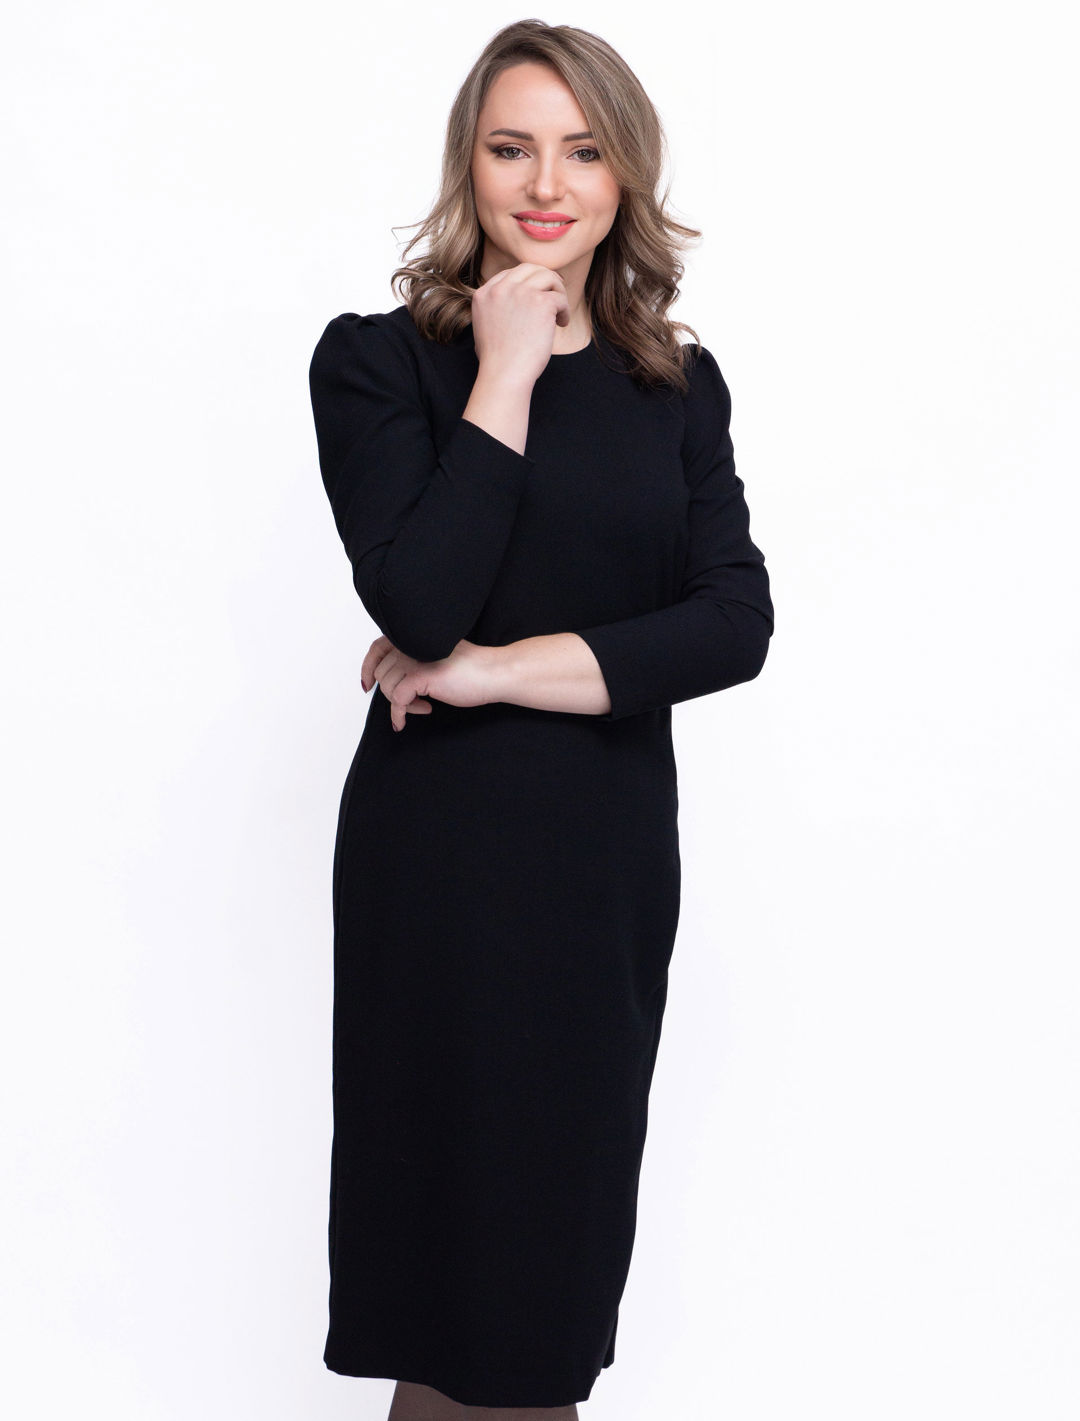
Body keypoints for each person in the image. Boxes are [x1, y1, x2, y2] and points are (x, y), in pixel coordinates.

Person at [308, 19, 774, 1421]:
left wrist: (494, 673)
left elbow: (732, 624)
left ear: (626, 174)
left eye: (582, 151)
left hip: (601, 869)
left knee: (545, 1300)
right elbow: (422, 598)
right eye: (512, 148)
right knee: (448, 1301)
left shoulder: (673, 386)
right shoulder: (379, 363)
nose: (547, 184)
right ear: (471, 163)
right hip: (440, 869)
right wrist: (504, 368)